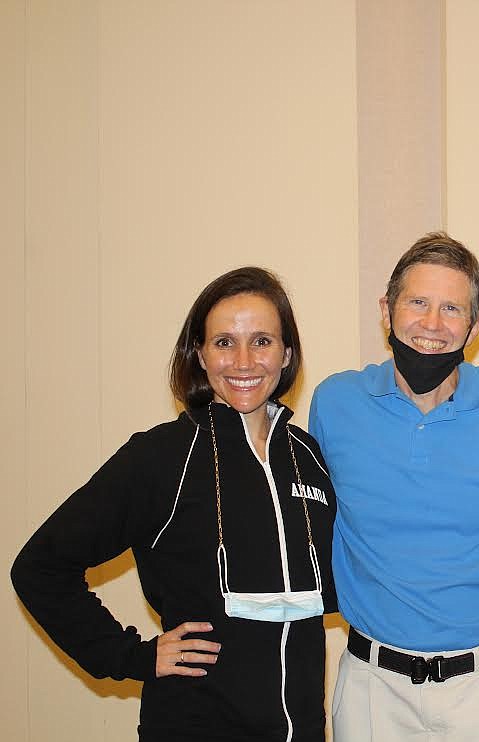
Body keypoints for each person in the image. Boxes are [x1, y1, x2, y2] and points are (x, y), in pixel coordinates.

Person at [11, 267, 336, 741]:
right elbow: (40, 566)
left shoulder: (310, 458)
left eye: (262, 341)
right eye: (224, 342)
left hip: (302, 730)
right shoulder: (162, 457)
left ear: (287, 354)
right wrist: (132, 657)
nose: (243, 361)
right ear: (200, 355)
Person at [309, 232, 479, 742]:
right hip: (371, 689)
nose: (432, 325)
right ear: (386, 309)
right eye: (418, 302)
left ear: (475, 326)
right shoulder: (334, 403)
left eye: (452, 309)